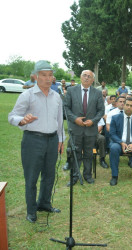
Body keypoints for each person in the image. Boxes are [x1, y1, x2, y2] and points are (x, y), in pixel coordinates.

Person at [8, 60, 65, 223]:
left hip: (52, 140)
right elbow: (11, 116)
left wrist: (61, 139)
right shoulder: (27, 95)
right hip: (33, 140)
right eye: (44, 75)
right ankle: (31, 210)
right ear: (36, 77)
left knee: (49, 175)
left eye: (50, 75)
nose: (48, 79)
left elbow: (59, 120)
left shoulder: (56, 97)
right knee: (32, 177)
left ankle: (44, 204)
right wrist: (22, 120)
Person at [64, 70, 105, 186]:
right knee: (75, 153)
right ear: (80, 77)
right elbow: (66, 107)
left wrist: (93, 121)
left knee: (88, 154)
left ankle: (87, 175)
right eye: (84, 75)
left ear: (93, 80)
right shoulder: (71, 90)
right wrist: (75, 119)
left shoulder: (97, 93)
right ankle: (74, 176)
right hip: (76, 128)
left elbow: (101, 110)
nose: (86, 78)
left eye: (89, 76)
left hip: (90, 130)